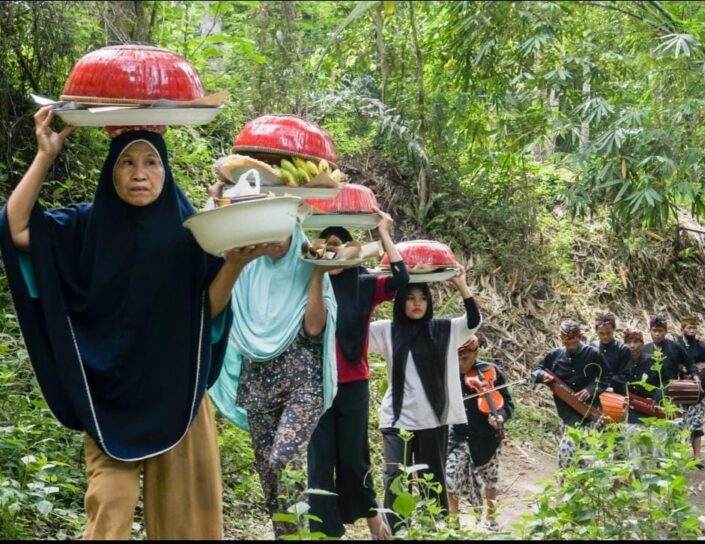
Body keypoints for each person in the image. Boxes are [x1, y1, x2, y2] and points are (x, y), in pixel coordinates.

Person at [0, 107, 268, 539]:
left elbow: (206, 316)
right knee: (111, 506)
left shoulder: (194, 232)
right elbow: (15, 229)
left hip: (179, 395)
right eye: (127, 161)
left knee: (189, 523)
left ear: (165, 170)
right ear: (111, 170)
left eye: (151, 162)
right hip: (109, 403)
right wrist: (45, 156)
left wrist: (233, 266)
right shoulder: (83, 226)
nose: (139, 173)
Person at [209, 223, 338, 538]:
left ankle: (300, 532)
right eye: (265, 232)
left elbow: (313, 328)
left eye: (281, 233)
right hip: (258, 384)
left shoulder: (307, 262)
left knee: (284, 458)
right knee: (269, 475)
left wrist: (317, 273)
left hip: (303, 383)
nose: (274, 242)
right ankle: (288, 535)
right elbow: (218, 306)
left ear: (294, 232)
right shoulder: (248, 271)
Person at [306, 216, 408, 541]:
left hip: (353, 385)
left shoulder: (364, 284)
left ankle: (369, 513)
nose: (333, 256)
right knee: (319, 461)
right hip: (317, 386)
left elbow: (402, 278)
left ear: (352, 252)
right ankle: (324, 532)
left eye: (339, 249)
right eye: (327, 249)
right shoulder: (310, 282)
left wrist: (383, 233)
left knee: (353, 457)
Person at [368, 269, 480, 534]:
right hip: (396, 420)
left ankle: (435, 532)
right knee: (395, 480)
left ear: (429, 302)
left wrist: (461, 284)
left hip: (433, 420)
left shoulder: (445, 329)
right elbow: (353, 326)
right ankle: (395, 534)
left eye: (422, 298)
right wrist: (370, 287)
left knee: (432, 482)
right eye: (410, 298)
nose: (417, 303)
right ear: (400, 302)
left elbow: (473, 320)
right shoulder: (386, 330)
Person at [446, 335, 514, 531]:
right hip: (459, 434)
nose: (461, 362)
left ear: (475, 353)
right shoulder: (448, 373)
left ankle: (491, 517)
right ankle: (454, 521)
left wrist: (500, 416)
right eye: (458, 357)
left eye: (466, 357)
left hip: (486, 436)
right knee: (450, 474)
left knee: (490, 477)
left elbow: (507, 403)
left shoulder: (490, 372)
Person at [531, 320, 610, 469]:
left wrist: (590, 389)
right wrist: (542, 376)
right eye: (568, 343)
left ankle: (587, 490)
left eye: (574, 341)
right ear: (562, 339)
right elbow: (536, 369)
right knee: (566, 458)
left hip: (589, 414)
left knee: (588, 461)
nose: (571, 346)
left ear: (580, 336)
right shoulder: (555, 355)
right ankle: (565, 489)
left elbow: (607, 377)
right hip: (566, 415)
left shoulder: (592, 354)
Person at [677, 318, 705, 465]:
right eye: (689, 327)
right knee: (678, 423)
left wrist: (700, 381)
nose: (692, 330)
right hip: (678, 391)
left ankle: (697, 457)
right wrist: (679, 368)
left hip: (698, 393)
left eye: (694, 327)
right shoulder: (675, 346)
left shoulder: (701, 347)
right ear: (682, 329)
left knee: (696, 423)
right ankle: (678, 455)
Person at [592, 311, 633, 396]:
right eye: (601, 333)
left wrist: (605, 382)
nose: (605, 336)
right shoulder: (592, 347)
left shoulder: (622, 349)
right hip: (595, 393)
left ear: (614, 329)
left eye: (608, 333)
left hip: (616, 394)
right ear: (596, 330)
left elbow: (625, 376)